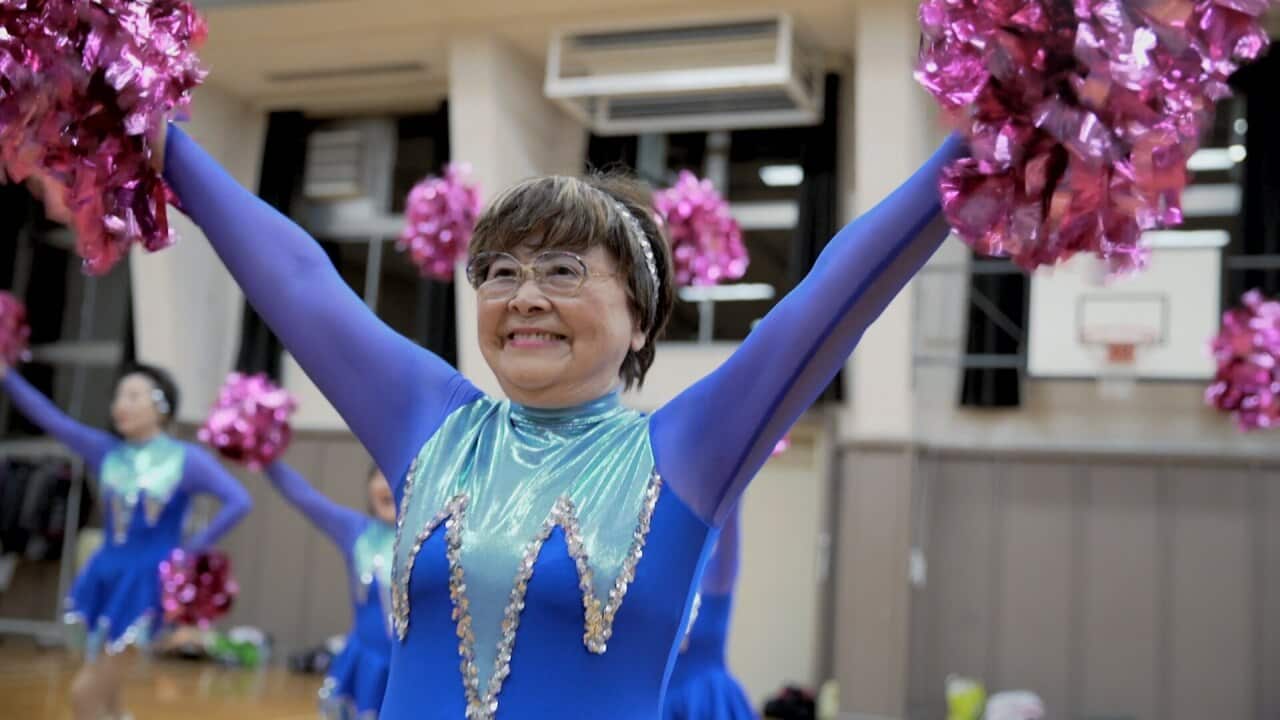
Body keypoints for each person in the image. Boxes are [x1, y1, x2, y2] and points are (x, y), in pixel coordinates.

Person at [153, 116, 964, 719]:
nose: (525, 295)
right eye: (500, 271)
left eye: (564, 270)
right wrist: (154, 138)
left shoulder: (683, 453)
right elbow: (299, 278)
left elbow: (831, 295)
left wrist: (980, 144)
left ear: (641, 319)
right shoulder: (431, 425)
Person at [0, 362, 252, 720]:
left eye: (134, 396)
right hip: (105, 572)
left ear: (161, 406)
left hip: (145, 584)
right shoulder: (107, 451)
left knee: (84, 694)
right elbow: (52, 420)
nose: (121, 404)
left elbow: (239, 500)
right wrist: (7, 376)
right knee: (109, 697)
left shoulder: (186, 459)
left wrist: (190, 550)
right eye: (118, 396)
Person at [262, 460, 395, 719]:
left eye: (394, 475)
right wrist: (264, 456)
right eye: (379, 476)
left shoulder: (433, 537)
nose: (387, 483)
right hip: (363, 663)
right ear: (369, 487)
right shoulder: (357, 530)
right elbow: (305, 498)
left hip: (409, 668)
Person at [665, 502, 756, 719]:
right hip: (661, 695)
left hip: (709, 701)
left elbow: (730, 511)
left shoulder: (717, 575)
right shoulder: (665, 578)